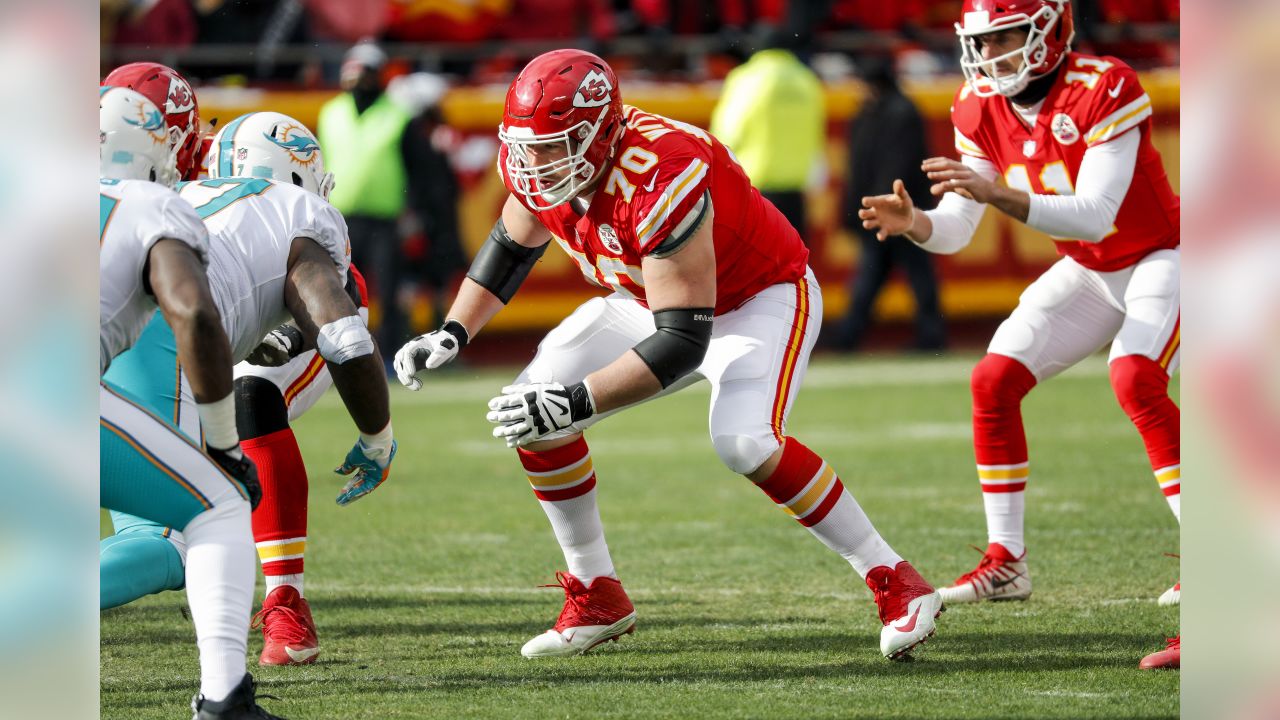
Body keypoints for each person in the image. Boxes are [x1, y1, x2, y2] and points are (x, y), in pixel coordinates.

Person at [396, 49, 943, 661]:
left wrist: (576, 402)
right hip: (645, 296)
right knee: (531, 413)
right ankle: (597, 594)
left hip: (755, 295)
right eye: (529, 146)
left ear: (601, 133)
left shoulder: (662, 172)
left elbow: (683, 341)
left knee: (744, 443)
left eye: (555, 146)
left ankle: (896, 580)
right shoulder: (538, 157)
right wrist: (451, 331)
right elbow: (511, 244)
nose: (536, 162)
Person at [858, 0, 1179, 669]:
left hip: (1166, 256)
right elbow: (956, 228)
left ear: (1051, 30)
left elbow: (1094, 216)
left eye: (1007, 36)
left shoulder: (1104, 85)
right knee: (993, 379)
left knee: (1135, 377)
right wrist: (915, 222)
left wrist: (996, 193)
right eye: (984, 40)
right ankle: (1007, 562)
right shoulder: (979, 105)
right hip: (1093, 270)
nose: (993, 53)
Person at [100, 111, 398, 668]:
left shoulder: (176, 193)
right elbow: (346, 340)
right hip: (156, 339)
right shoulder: (298, 211)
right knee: (183, 531)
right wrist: (378, 439)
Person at [99, 86, 284, 719]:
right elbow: (195, 315)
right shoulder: (152, 201)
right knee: (221, 507)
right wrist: (225, 442)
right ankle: (225, 701)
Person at [833, 56, 946, 352]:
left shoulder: (890, 113)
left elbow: (895, 166)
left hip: (899, 211)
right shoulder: (883, 111)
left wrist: (876, 205)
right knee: (888, 274)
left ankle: (850, 336)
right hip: (886, 210)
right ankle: (852, 335)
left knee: (888, 274)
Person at [318, 40, 415, 355]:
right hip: (340, 218)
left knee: (387, 290)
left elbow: (415, 167)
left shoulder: (398, 115)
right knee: (338, 289)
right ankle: (340, 352)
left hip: (384, 219)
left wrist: (413, 211)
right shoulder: (330, 112)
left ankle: (390, 354)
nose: (358, 80)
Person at [708, 37, 824, 234]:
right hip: (796, 189)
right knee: (796, 259)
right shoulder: (807, 79)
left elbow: (728, 131)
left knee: (755, 261)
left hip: (756, 187)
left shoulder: (746, 78)